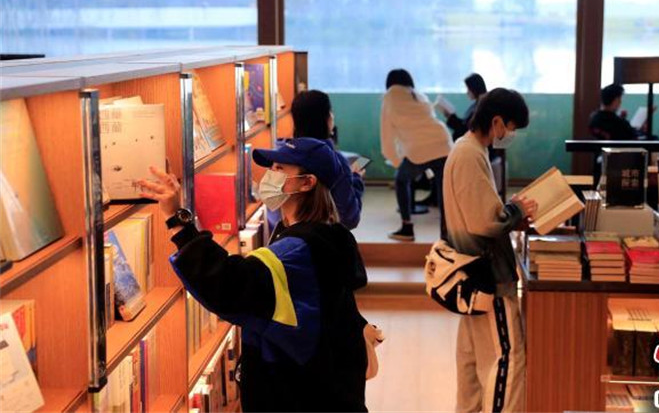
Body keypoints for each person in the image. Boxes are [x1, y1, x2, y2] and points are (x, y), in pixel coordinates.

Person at [138, 138, 369, 412]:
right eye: (271, 166)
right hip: (328, 388)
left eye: (280, 168)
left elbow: (227, 284)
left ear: (307, 183)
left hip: (297, 393)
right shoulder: (327, 236)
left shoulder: (295, 252)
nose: (269, 174)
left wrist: (178, 220)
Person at [443, 88, 538, 412]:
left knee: (472, 365)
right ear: (496, 122)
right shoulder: (470, 154)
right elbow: (484, 221)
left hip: (471, 275)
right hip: (488, 278)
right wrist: (516, 210)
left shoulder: (467, 149)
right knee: (507, 360)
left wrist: (510, 211)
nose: (510, 135)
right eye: (511, 128)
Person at [264, 90, 364, 233]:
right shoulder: (336, 161)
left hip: (283, 237)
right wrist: (357, 180)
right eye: (330, 112)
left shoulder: (279, 158)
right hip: (322, 242)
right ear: (327, 119)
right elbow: (349, 218)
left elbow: (274, 212)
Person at [381, 69, 452, 241]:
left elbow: (387, 137)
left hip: (418, 148)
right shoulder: (418, 95)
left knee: (401, 180)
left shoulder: (389, 98)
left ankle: (407, 228)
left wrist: (396, 161)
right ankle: (447, 236)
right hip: (443, 143)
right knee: (444, 190)